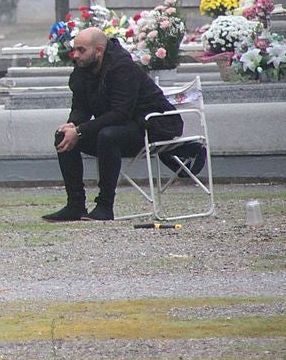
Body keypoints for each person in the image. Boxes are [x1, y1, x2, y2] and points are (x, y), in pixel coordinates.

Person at [43, 27, 184, 222]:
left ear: (99, 50)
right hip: (123, 126)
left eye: (81, 50)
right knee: (63, 136)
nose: (75, 55)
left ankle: (105, 206)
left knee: (107, 136)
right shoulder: (83, 68)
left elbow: (121, 112)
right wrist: (72, 126)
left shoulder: (122, 67)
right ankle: (75, 205)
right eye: (74, 50)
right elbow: (81, 108)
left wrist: (80, 130)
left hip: (152, 126)